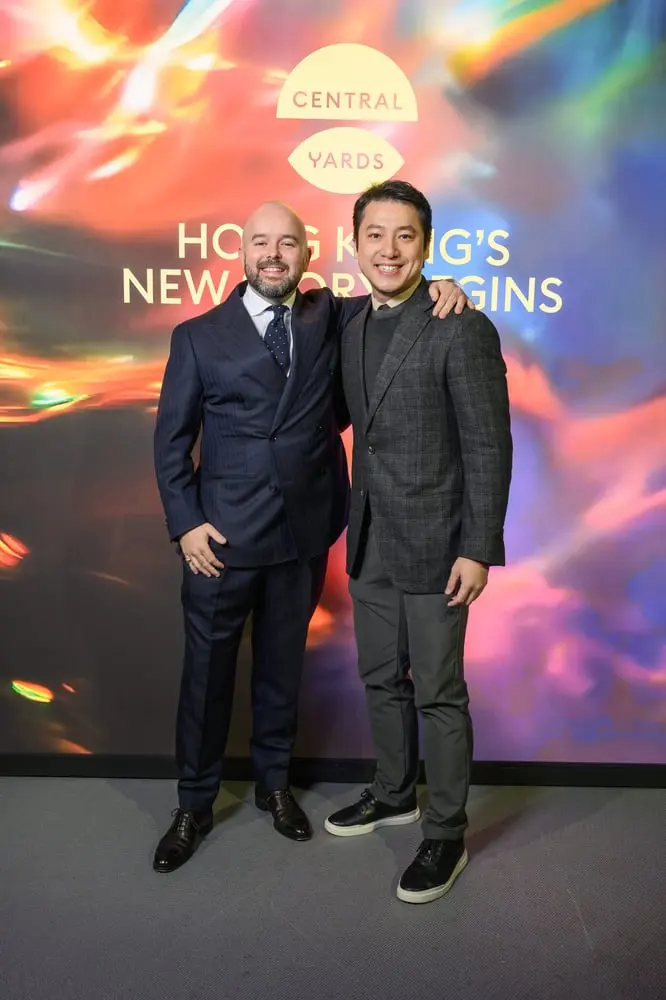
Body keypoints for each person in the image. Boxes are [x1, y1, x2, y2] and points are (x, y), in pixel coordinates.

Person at [152, 200, 469, 873]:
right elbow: (172, 442)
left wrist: (444, 283)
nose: (274, 255)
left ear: (307, 254)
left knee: (281, 672)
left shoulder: (331, 314)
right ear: (240, 252)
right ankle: (193, 804)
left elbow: (397, 293)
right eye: (260, 243)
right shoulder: (198, 335)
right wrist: (185, 525)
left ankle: (274, 788)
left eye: (287, 244)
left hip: (300, 536)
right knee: (206, 678)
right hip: (220, 544)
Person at [324, 181, 513, 905]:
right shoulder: (347, 322)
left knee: (438, 692)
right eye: (376, 235)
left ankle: (444, 832)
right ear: (356, 243)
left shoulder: (459, 324)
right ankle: (393, 793)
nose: (389, 249)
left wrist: (478, 546)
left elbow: (488, 446)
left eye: (405, 236)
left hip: (439, 546)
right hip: (367, 535)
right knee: (380, 679)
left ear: (426, 246)